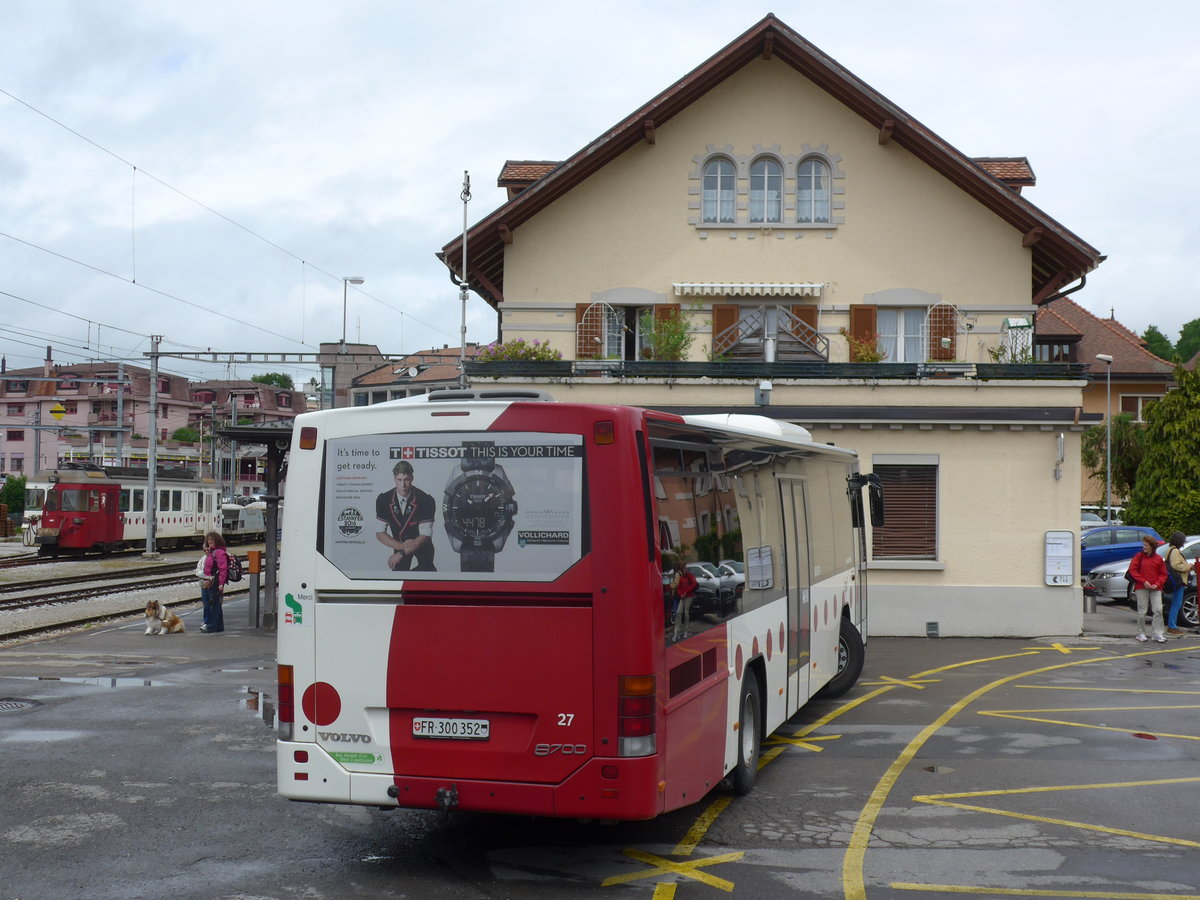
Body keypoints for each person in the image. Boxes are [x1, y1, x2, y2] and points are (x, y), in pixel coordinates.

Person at [375, 460, 436, 571]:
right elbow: (380, 532)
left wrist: (401, 553)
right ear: (394, 479)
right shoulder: (383, 500)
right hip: (398, 544)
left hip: (422, 546)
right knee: (399, 575)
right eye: (399, 480)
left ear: (412, 478)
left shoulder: (425, 500)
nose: (403, 485)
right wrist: (399, 546)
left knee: (427, 572)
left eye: (406, 480)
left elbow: (425, 535)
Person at [1127, 534, 1168, 643]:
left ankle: (1158, 633)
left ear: (1152, 546)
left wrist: (1158, 583)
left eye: (1146, 545)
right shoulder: (1139, 556)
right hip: (1141, 586)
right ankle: (1141, 633)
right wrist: (1143, 581)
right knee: (1142, 610)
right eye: (1144, 545)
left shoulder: (1158, 559)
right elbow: (1133, 570)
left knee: (1158, 609)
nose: (1144, 547)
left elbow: (1163, 574)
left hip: (1155, 587)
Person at [199, 531, 229, 634]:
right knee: (216, 604)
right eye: (208, 540)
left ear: (217, 540)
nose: (210, 541)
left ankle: (211, 626)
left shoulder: (219, 552)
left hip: (215, 582)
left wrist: (221, 584)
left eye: (212, 540)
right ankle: (219, 626)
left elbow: (223, 569)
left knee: (213, 604)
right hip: (210, 580)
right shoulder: (212, 552)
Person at [1164, 531, 1192, 635]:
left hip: (1175, 580)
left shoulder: (1170, 550)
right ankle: (1172, 626)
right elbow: (1175, 565)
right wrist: (1188, 567)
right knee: (1177, 603)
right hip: (1178, 580)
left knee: (1175, 603)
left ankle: (1172, 625)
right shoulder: (1175, 551)